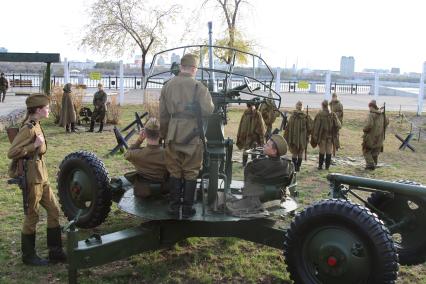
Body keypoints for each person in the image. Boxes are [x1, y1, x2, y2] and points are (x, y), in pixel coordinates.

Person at [7, 93, 66, 266]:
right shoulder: (29, 128)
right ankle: (28, 256)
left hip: (42, 175)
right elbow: (12, 152)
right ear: (38, 110)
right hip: (32, 177)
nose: (48, 110)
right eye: (46, 108)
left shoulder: (37, 125)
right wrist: (33, 145)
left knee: (54, 210)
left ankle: (55, 252)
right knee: (32, 215)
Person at [159, 53, 214, 218]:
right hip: (192, 133)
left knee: (174, 170)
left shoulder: (167, 85)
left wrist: (164, 134)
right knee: (191, 170)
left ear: (181, 67)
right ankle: (188, 208)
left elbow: (163, 114)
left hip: (173, 133)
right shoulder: (199, 87)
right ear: (194, 68)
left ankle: (174, 207)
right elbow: (209, 110)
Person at [226, 134, 294, 215]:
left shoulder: (256, 164)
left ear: (274, 151)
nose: (264, 146)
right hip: (277, 195)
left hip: (259, 197)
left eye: (267, 145)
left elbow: (248, 174)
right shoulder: (288, 164)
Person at [124, 118, 168, 197]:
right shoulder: (169, 154)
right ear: (160, 134)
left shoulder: (136, 154)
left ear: (145, 134)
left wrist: (139, 140)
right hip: (163, 191)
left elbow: (126, 154)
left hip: (142, 192)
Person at [311, 100, 341, 170]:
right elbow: (339, 125)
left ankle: (320, 166)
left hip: (322, 137)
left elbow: (316, 127)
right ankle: (327, 167)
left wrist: (315, 136)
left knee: (322, 150)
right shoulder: (333, 114)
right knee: (328, 150)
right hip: (330, 137)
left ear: (322, 105)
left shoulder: (320, 114)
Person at [284, 101, 312, 172]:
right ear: (302, 107)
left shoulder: (293, 116)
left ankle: (294, 167)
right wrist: (307, 134)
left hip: (294, 138)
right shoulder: (306, 116)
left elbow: (288, 127)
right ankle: (298, 167)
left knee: (294, 152)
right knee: (300, 152)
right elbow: (310, 128)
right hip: (303, 138)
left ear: (296, 106)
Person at [362, 100, 389, 170]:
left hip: (371, 137)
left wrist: (364, 129)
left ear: (371, 106)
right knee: (375, 151)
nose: (369, 109)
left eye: (369, 107)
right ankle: (374, 163)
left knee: (366, 150)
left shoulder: (371, 115)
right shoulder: (382, 115)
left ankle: (371, 165)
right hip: (380, 137)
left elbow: (368, 125)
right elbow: (387, 122)